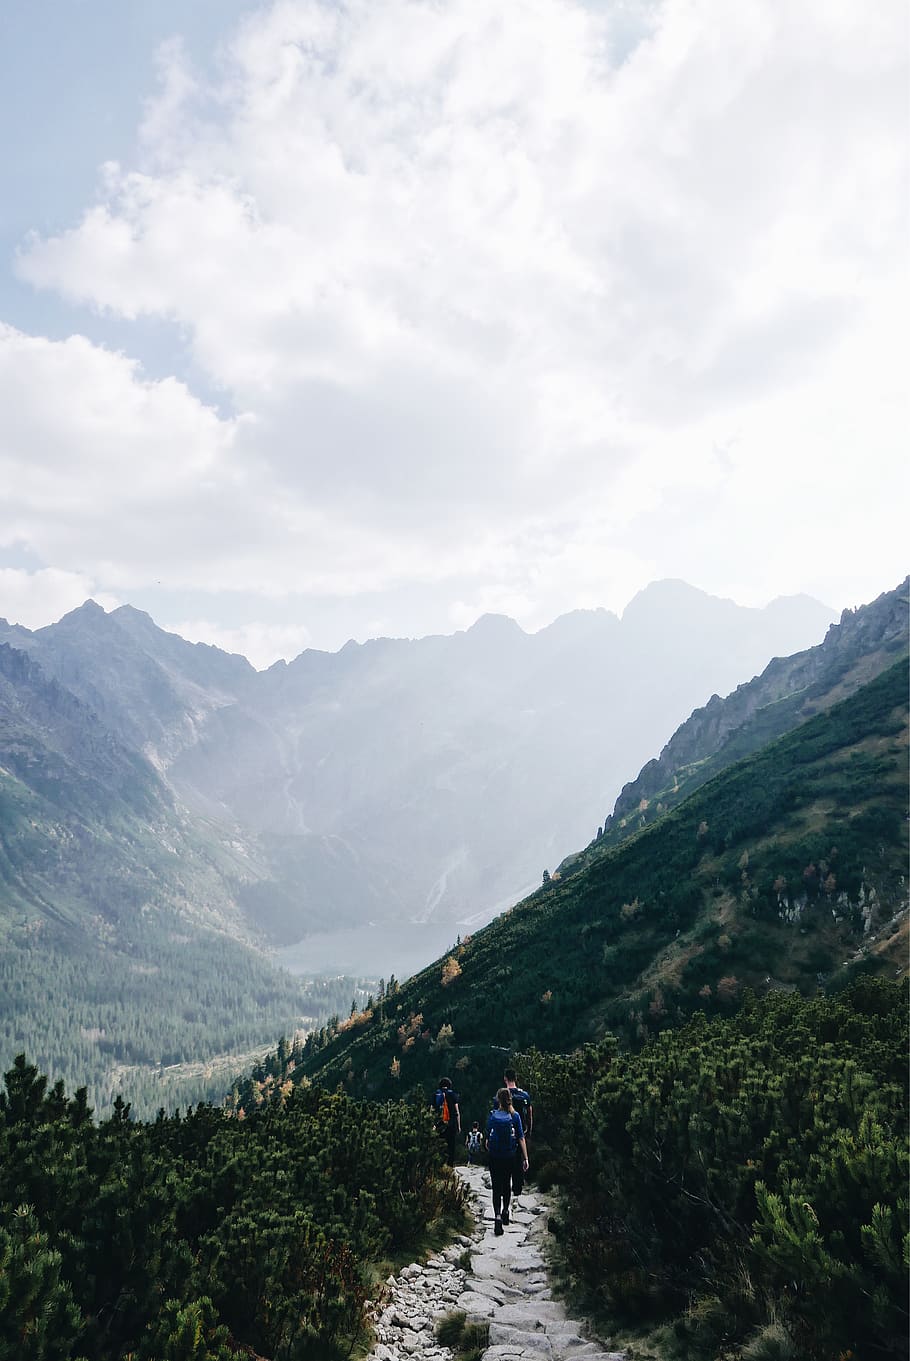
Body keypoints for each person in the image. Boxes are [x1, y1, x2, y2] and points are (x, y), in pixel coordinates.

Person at [485, 1087, 528, 1236]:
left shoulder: (492, 1115)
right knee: (507, 1184)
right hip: (510, 1156)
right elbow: (521, 1138)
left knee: (496, 1186)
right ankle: (505, 1211)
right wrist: (525, 1158)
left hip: (495, 1156)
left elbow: (486, 1140)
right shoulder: (515, 1116)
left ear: (498, 1100)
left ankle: (496, 1216)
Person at [502, 1067, 533, 1203]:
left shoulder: (502, 1095)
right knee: (519, 1157)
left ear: (505, 1079)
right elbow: (530, 1114)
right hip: (521, 1131)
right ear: (516, 1078)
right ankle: (518, 1187)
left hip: (505, 1132)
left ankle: (505, 1185)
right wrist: (529, 1129)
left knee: (505, 1158)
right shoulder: (524, 1095)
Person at [432, 1076, 461, 1164]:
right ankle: (450, 1166)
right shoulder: (453, 1095)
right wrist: (458, 1126)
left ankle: (439, 1165)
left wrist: (432, 1124)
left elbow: (431, 1110)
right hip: (451, 1124)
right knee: (451, 1146)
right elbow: (457, 1111)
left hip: (439, 1124)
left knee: (439, 1146)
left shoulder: (435, 1095)